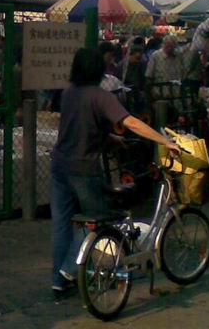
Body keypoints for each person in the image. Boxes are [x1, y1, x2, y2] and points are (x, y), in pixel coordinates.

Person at [51, 48, 180, 294]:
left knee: (61, 225)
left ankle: (59, 280)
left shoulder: (69, 93)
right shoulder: (100, 96)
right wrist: (163, 141)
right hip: (83, 168)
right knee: (97, 218)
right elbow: (130, 122)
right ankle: (69, 268)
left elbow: (80, 126)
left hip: (59, 166)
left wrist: (109, 138)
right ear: (98, 69)